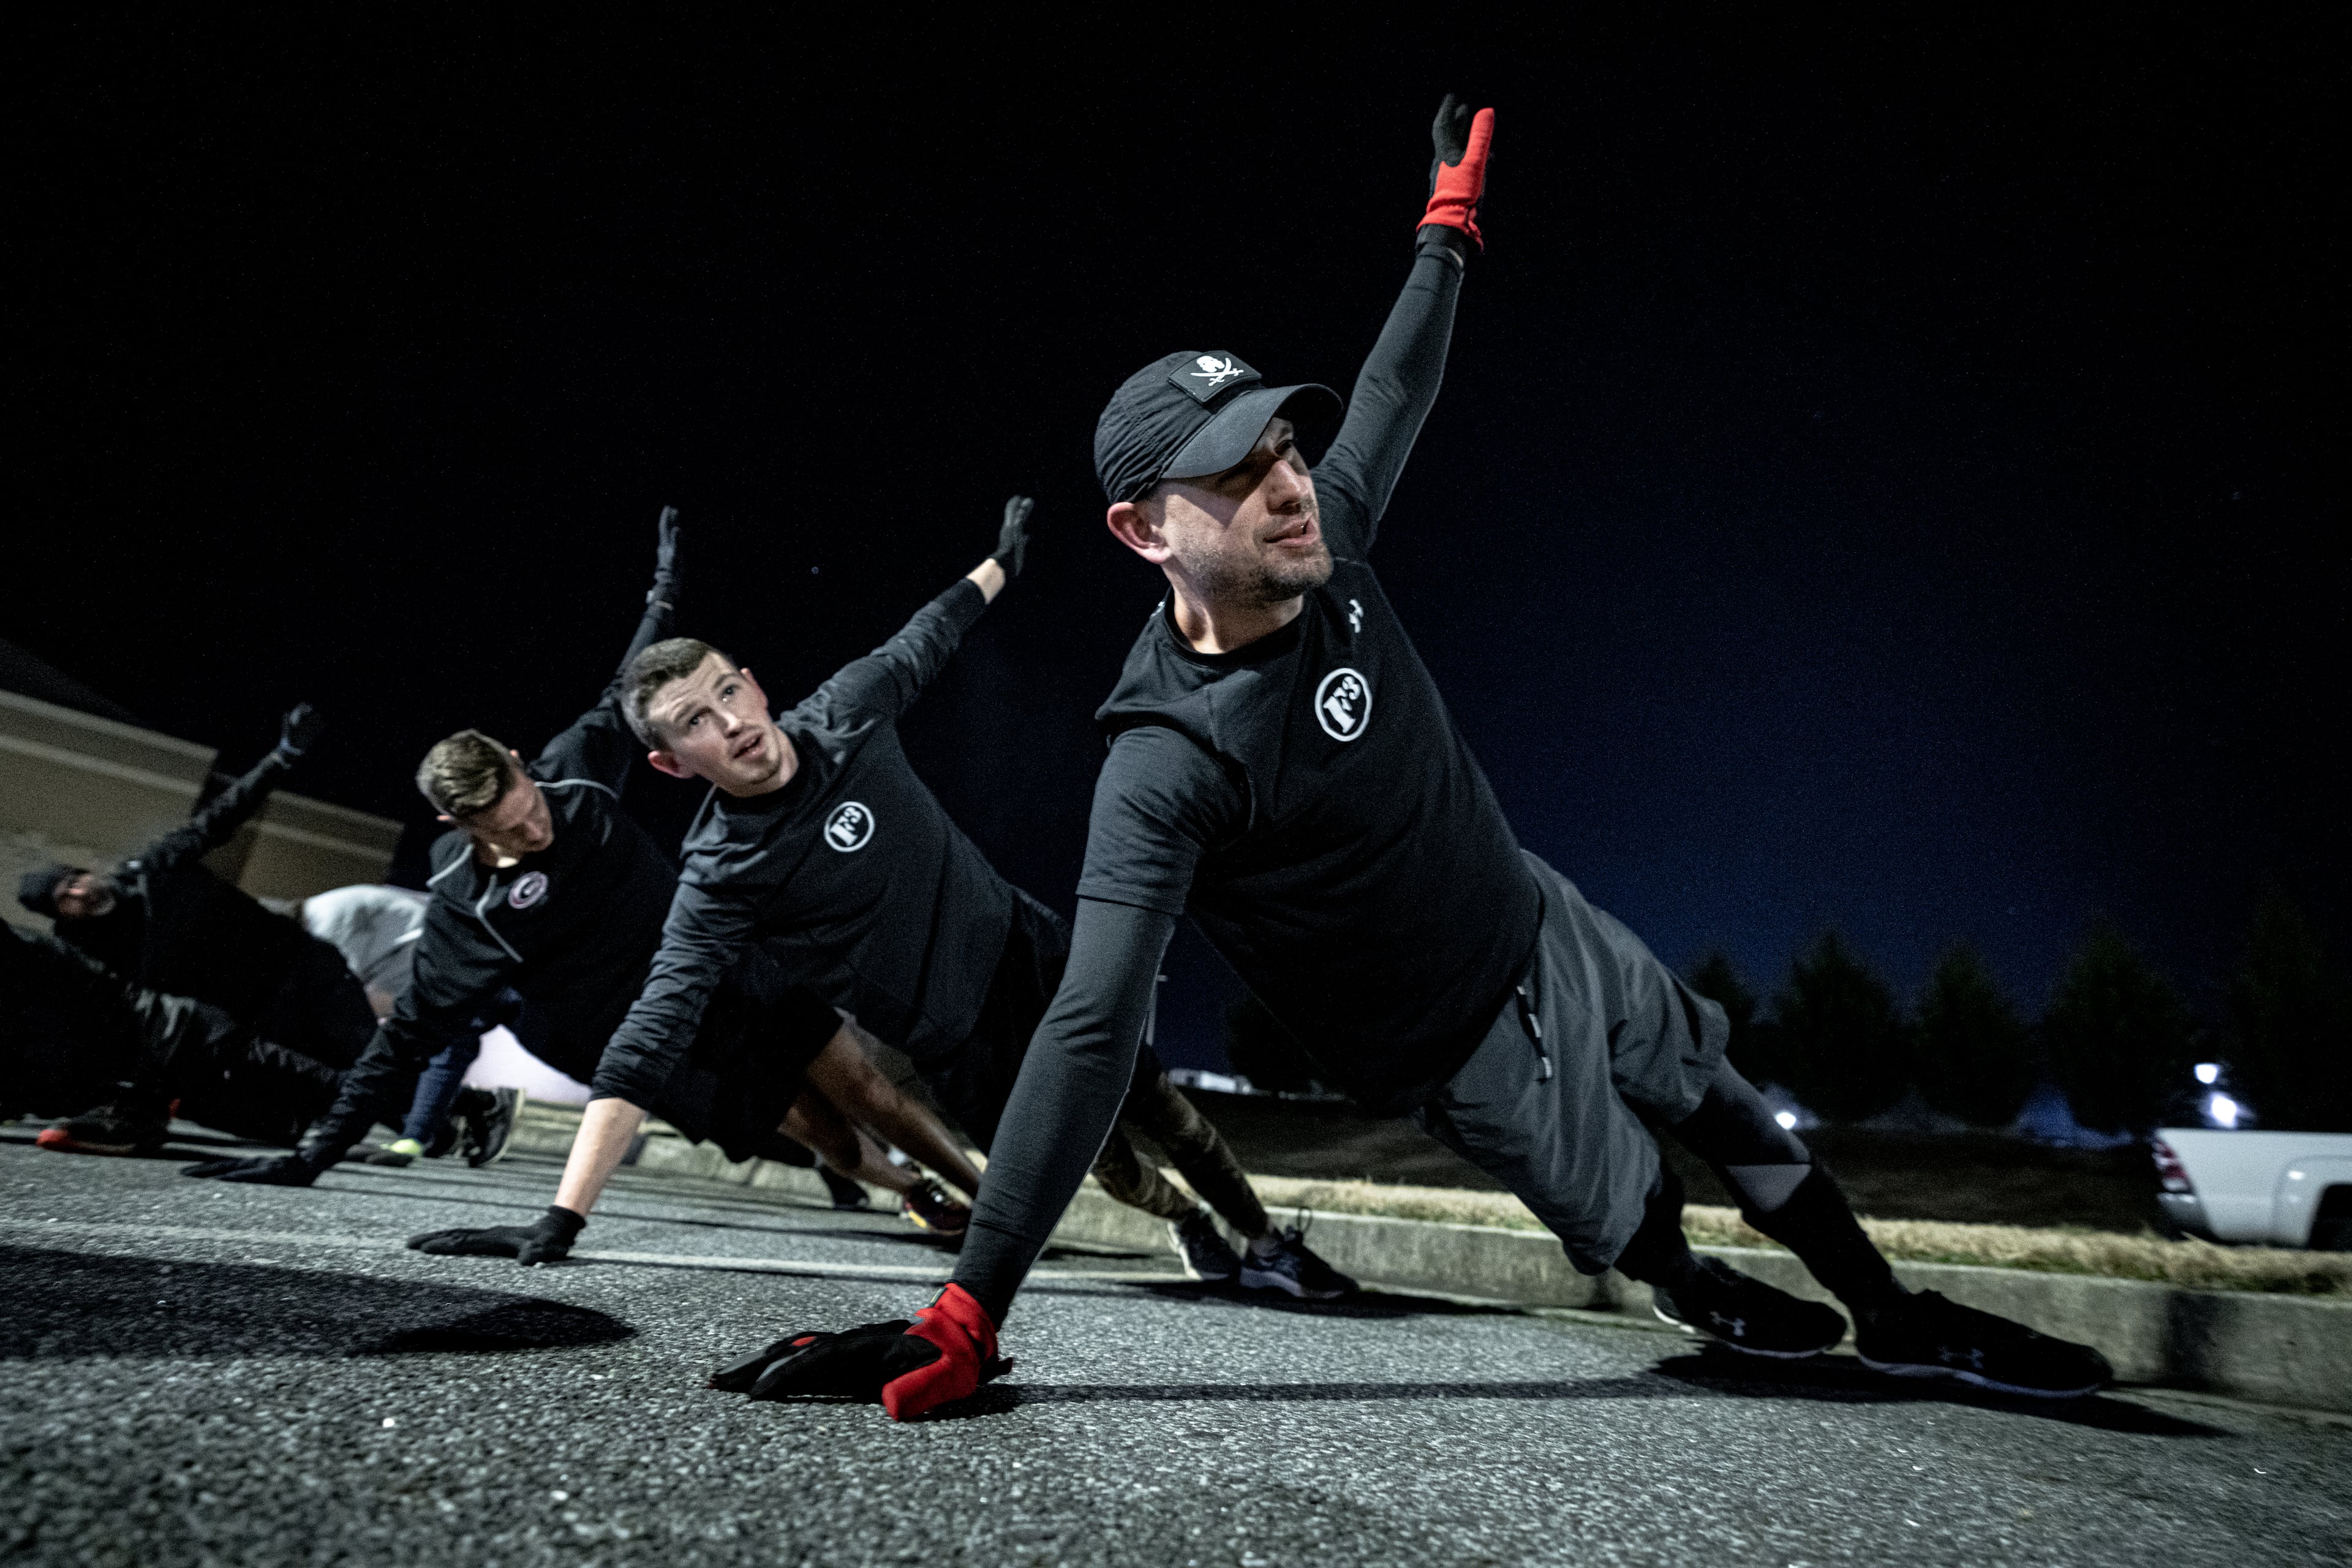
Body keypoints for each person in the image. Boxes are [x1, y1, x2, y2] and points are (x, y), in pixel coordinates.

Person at [729, 96, 2116, 1420]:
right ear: (1141, 529)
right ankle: (1689, 1285)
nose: (1287, 482)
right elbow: (1090, 1028)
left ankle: (1890, 1309)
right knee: (1629, 1206)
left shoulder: (1323, 533)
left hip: (1531, 909)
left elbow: (1396, 376)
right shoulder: (1162, 761)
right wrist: (971, 1309)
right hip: (1449, 1045)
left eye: (1281, 442)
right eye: (1235, 471)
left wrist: (1444, 222)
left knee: (1715, 1089)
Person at [578, 500, 1347, 1292]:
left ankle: (1264, 1242)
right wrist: (567, 1216)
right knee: (1103, 1160)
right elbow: (655, 1022)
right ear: (672, 763)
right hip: (959, 1044)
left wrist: (1000, 566)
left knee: (1161, 1107)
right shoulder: (718, 872)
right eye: (694, 722)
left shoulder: (844, 712)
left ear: (752, 686)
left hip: (1027, 956)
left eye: (726, 695)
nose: (730, 724)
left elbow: (926, 637)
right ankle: (1185, 1220)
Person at [179, 510, 976, 1256]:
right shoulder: (470, 904)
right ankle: (911, 1189)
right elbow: (409, 1035)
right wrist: (317, 1151)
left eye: (526, 803)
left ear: (524, 766)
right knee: (826, 1138)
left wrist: (662, 592)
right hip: (654, 1040)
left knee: (866, 1084)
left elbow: (627, 681)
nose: (532, 828)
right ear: (461, 829)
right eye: (504, 826)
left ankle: (990, 1197)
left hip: (729, 972)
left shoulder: (577, 773)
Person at [17, 702, 379, 1153]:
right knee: (293, 1076)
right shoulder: (91, 953)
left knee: (367, 1051)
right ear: (60, 916)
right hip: (247, 1010)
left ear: (85, 873)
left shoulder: (154, 870)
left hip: (296, 965)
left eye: (72, 881)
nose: (76, 894)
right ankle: (348, 1136)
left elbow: (222, 817)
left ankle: (439, 1121)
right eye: (62, 900)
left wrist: (282, 755)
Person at [3, 924, 342, 1152]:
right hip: (157, 1070)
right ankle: (341, 1138)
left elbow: (70, 1039)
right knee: (273, 1126)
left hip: (185, 1034)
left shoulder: (32, 959)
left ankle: (391, 1118)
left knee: (318, 1082)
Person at [295, 883, 522, 1167]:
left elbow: (348, 993)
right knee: (418, 1048)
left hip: (457, 958)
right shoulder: (326, 914)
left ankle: (425, 1132)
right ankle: (457, 1118)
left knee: (445, 1044)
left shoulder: (324, 924)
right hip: (439, 959)